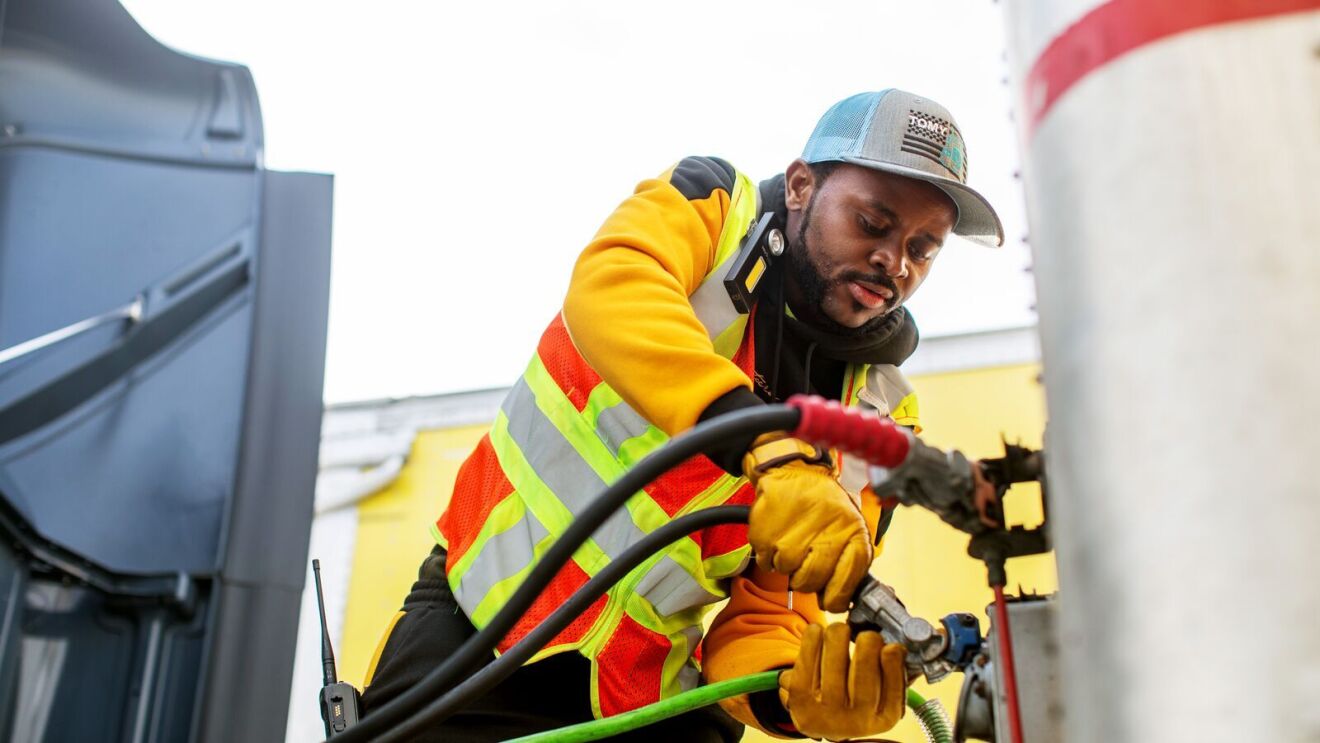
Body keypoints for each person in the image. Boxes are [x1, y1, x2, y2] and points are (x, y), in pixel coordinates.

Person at [360, 89, 1004, 741]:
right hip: (476, 634)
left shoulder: (882, 417)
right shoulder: (714, 211)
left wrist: (798, 699)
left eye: (923, 249)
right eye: (872, 223)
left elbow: (768, 616)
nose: (893, 262)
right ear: (803, 185)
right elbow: (614, 287)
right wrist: (764, 440)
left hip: (645, 698)